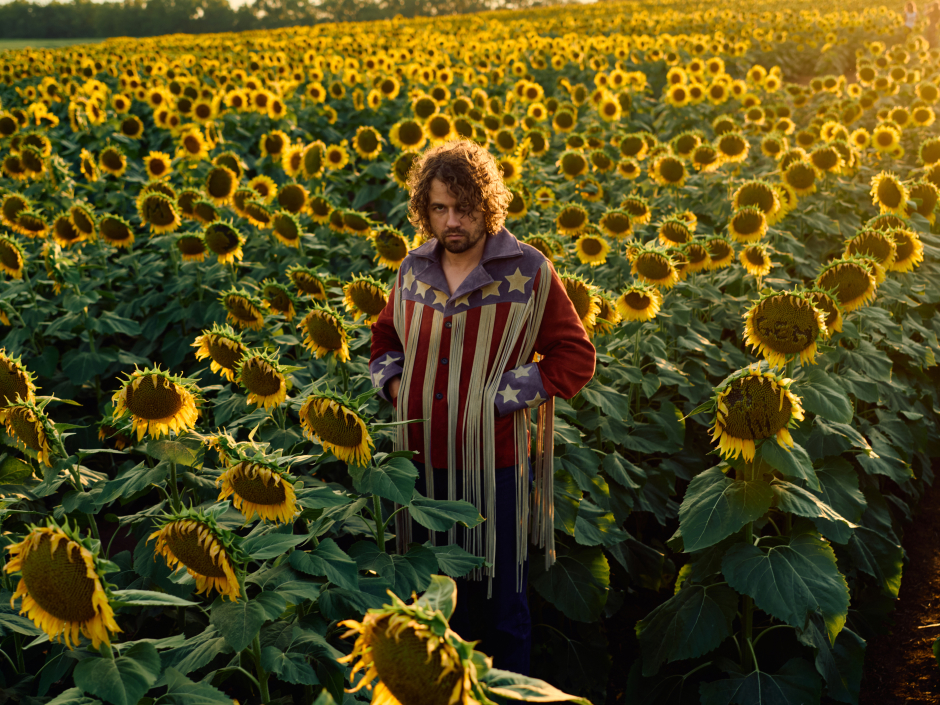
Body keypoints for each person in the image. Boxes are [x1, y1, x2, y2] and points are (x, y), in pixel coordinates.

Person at [369, 139, 596, 675]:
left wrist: (499, 397)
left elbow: (575, 356)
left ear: (487, 204)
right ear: (425, 210)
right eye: (440, 208)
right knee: (430, 606)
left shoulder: (528, 271)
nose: (452, 222)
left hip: (492, 470)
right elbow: (383, 342)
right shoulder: (413, 269)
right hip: (418, 469)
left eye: (464, 208)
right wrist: (396, 387)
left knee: (500, 608)